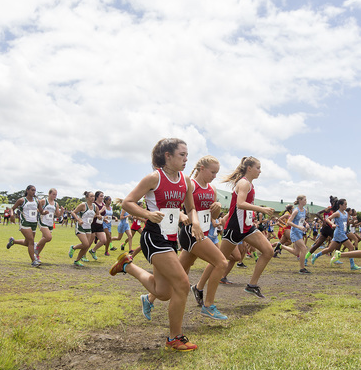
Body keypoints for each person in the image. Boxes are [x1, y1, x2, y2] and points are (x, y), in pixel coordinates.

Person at [109, 138, 200, 352]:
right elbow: (127, 202)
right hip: (153, 237)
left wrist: (194, 222)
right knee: (182, 284)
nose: (186, 159)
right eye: (182, 155)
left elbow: (191, 208)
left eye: (187, 155)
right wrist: (148, 214)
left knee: (163, 292)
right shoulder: (154, 178)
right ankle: (174, 338)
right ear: (167, 156)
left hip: (170, 238)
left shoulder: (185, 181)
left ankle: (127, 266)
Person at [176, 155, 229, 319]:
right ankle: (208, 306)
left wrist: (217, 210)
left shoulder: (212, 189)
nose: (214, 176)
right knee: (221, 262)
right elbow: (175, 207)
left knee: (176, 272)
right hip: (191, 232)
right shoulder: (190, 184)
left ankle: (150, 298)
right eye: (212, 172)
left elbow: (212, 217)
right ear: (202, 169)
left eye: (216, 173)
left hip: (204, 233)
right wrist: (181, 216)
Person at [218, 157, 275, 298]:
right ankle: (199, 287)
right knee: (219, 260)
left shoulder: (250, 184)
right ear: (249, 168)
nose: (260, 171)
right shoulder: (243, 183)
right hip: (235, 228)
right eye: (258, 168)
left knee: (268, 251)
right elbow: (240, 204)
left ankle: (252, 285)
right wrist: (261, 209)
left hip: (247, 228)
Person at [310, 198, 361, 271]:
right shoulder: (337, 213)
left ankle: (316, 255)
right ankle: (352, 265)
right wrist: (332, 224)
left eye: (346, 204)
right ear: (340, 205)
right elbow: (328, 219)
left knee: (330, 249)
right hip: (339, 233)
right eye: (345, 204)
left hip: (341, 233)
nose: (346, 206)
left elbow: (347, 223)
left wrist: (353, 222)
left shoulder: (346, 213)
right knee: (351, 247)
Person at [7, 185, 41, 267]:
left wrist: (46, 212)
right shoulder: (22, 200)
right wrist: (12, 215)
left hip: (34, 223)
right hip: (25, 223)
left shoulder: (37, 201)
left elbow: (41, 211)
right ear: (27, 190)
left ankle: (13, 241)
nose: (34, 192)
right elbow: (12, 208)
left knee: (28, 242)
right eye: (32, 190)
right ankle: (34, 261)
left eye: (35, 190)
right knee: (31, 242)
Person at [68, 191, 97, 267]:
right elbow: (73, 212)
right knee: (86, 244)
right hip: (81, 226)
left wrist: (102, 218)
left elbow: (97, 215)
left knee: (86, 246)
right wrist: (78, 220)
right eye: (91, 196)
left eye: (93, 196)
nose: (93, 198)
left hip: (88, 227)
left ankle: (77, 261)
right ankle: (73, 247)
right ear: (87, 197)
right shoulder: (83, 205)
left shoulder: (95, 206)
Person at [35, 188, 63, 261]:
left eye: (56, 195)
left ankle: (36, 255)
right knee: (48, 237)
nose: (55, 196)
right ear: (49, 194)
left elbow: (57, 214)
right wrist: (43, 211)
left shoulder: (56, 204)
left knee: (44, 240)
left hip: (50, 223)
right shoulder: (44, 201)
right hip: (43, 221)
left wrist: (62, 211)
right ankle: (36, 245)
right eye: (53, 194)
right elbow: (37, 209)